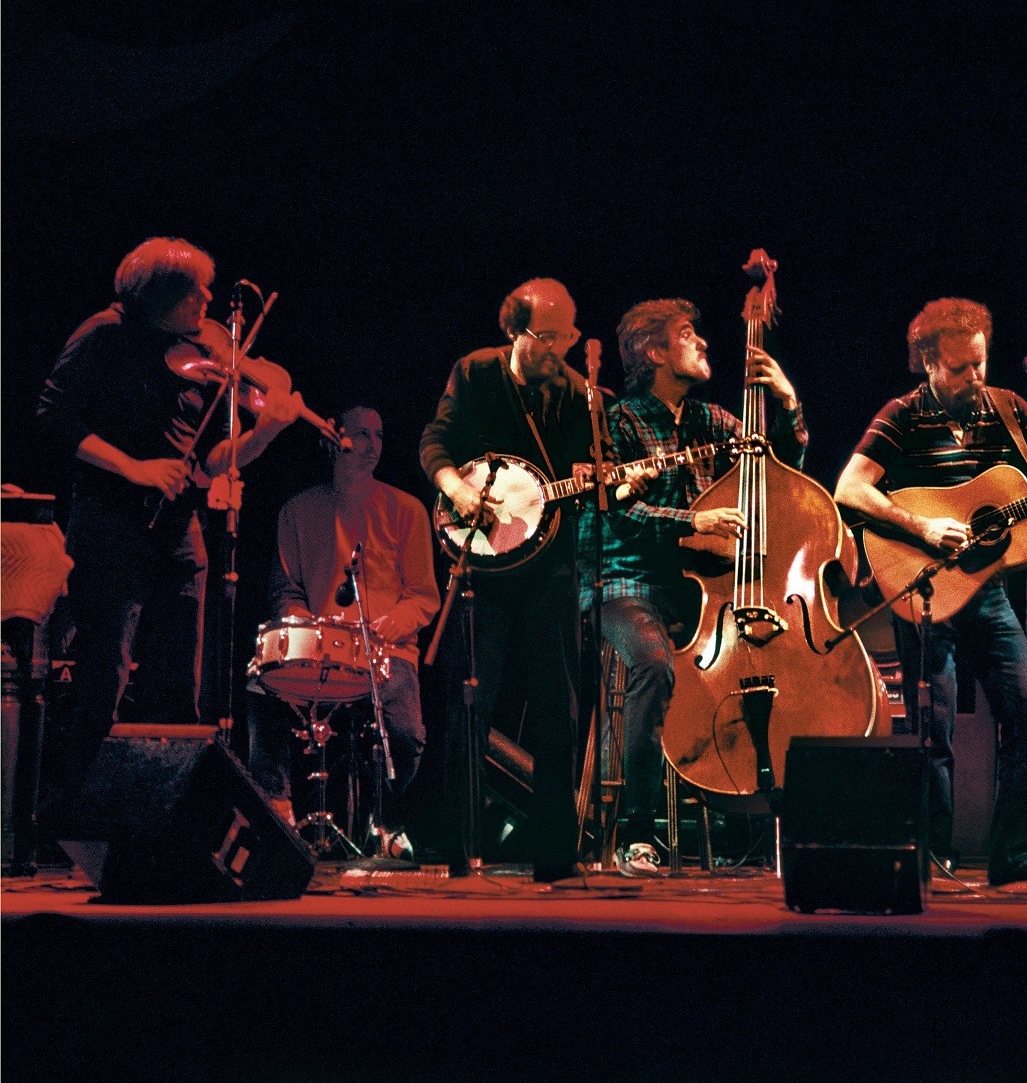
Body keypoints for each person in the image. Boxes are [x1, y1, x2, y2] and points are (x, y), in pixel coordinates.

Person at [833, 297, 1027, 886]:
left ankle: (1015, 858)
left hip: (988, 592)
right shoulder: (901, 415)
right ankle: (931, 859)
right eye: (959, 369)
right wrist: (922, 525)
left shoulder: (1011, 410)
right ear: (927, 363)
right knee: (934, 725)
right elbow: (850, 488)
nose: (974, 378)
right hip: (921, 585)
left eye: (979, 364)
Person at [35, 237, 301, 795]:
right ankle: (80, 814)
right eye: (195, 290)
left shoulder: (200, 351)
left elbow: (211, 461)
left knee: (183, 681)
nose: (209, 297)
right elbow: (54, 419)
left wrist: (267, 431)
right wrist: (133, 467)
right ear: (160, 296)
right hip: (109, 527)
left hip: (180, 534)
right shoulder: (103, 334)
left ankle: (165, 817)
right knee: (103, 676)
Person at [578, 298, 807, 876]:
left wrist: (788, 407)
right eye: (687, 334)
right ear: (655, 352)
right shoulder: (619, 420)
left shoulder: (713, 421)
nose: (704, 343)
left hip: (701, 591)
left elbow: (779, 471)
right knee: (655, 666)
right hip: (627, 583)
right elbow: (608, 514)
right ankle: (637, 835)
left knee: (755, 665)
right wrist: (692, 522)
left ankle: (755, 815)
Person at [419, 278, 594, 881]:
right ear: (514, 331)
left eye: (567, 336)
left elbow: (592, 479)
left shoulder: (579, 395)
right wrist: (458, 489)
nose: (560, 349)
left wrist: (614, 483)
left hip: (550, 569)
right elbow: (435, 443)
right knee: (470, 703)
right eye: (548, 337)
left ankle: (556, 855)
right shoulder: (474, 374)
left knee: (558, 708)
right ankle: (459, 850)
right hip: (483, 568)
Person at [249, 404, 440, 841]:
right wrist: (305, 625)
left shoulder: (406, 509)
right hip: (322, 654)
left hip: (386, 652)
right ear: (335, 440)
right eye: (362, 434)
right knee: (260, 683)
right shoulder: (297, 511)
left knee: (406, 737)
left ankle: (386, 822)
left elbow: (424, 596)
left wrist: (391, 625)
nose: (373, 445)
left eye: (379, 435)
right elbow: (286, 593)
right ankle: (276, 806)